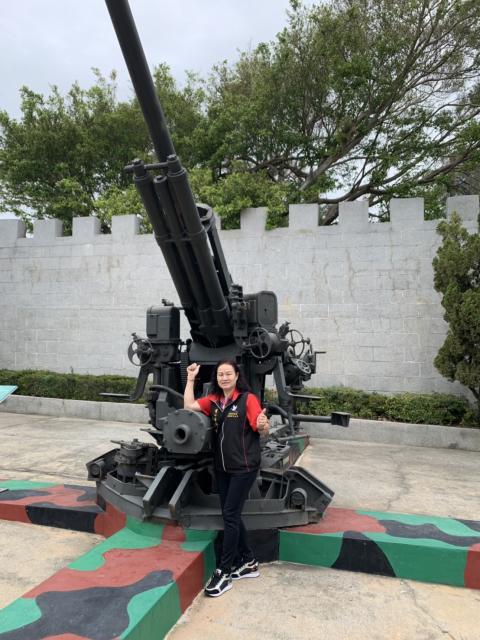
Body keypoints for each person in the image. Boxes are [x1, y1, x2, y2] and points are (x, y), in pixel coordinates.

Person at [184, 359, 270, 597]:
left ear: (236, 376)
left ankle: (224, 571)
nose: (224, 378)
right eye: (220, 374)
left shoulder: (247, 400)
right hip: (222, 468)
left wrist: (263, 425)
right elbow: (189, 405)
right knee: (230, 514)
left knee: (230, 515)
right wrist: (190, 378)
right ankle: (249, 562)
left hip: (244, 467)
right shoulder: (213, 401)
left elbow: (262, 429)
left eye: (228, 374)